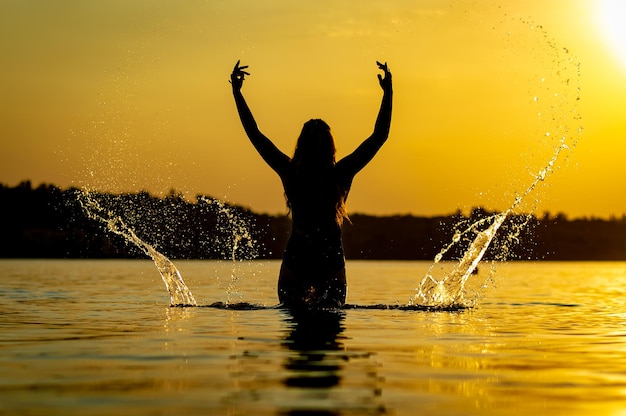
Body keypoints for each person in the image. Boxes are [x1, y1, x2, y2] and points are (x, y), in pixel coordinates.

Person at [230, 60, 392, 309]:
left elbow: (255, 134)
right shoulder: (341, 173)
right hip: (330, 260)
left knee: (296, 328)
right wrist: (388, 93)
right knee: (329, 329)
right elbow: (379, 136)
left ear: (300, 145)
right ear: (331, 146)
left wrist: (237, 93)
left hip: (298, 257)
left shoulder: (291, 171)